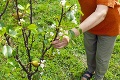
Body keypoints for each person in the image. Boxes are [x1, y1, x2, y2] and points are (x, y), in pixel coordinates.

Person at [52, 0, 120, 80]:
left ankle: (99, 77)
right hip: (89, 24)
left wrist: (70, 33)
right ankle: (90, 70)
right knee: (90, 50)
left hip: (108, 27)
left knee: (102, 57)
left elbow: (101, 13)